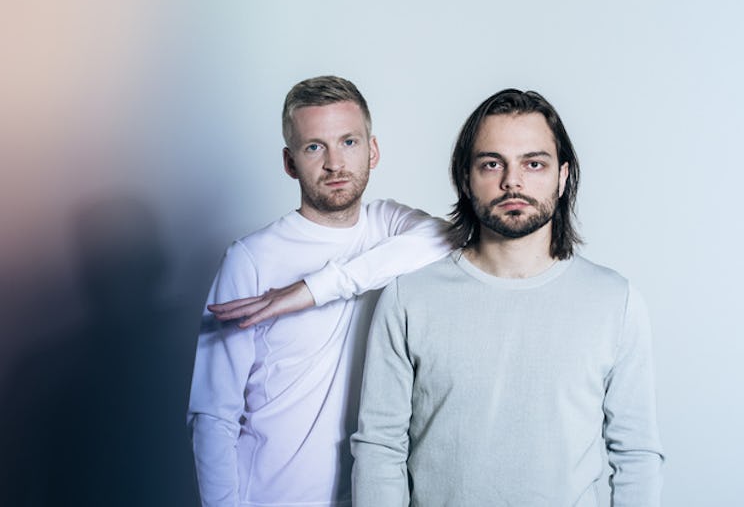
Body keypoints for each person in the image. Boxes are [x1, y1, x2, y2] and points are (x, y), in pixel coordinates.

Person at [351, 89, 665, 506]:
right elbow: (380, 449)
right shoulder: (408, 297)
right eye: (492, 163)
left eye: (533, 163)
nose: (512, 181)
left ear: (563, 175)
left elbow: (637, 455)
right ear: (465, 177)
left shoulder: (615, 301)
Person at [186, 75, 451, 507]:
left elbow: (452, 237)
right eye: (314, 147)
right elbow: (212, 412)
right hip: (270, 498)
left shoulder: (388, 227)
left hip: (369, 495)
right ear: (290, 163)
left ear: (373, 150)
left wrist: (314, 288)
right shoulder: (251, 258)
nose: (334, 163)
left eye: (348, 142)